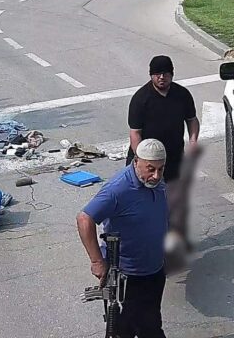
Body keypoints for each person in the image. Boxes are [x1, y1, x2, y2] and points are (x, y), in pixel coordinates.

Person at [77, 139, 169, 338]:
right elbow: (85, 219)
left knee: (137, 324)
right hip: (130, 275)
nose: (156, 175)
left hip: (154, 269)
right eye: (150, 169)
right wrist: (96, 261)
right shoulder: (118, 189)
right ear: (136, 161)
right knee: (146, 328)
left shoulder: (156, 181)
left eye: (161, 169)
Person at [126, 55, 200, 240]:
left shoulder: (182, 95)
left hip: (173, 158)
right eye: (157, 73)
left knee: (172, 200)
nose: (162, 77)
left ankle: (168, 236)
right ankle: (144, 237)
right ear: (151, 75)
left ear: (172, 75)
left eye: (166, 73)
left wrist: (193, 142)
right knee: (144, 200)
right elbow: (135, 133)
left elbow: (192, 120)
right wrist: (141, 158)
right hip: (146, 160)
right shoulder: (141, 99)